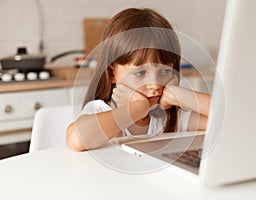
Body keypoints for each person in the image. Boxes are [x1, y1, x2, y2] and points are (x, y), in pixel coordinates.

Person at [66, 8, 211, 151]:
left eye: (165, 71)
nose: (154, 85)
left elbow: (228, 119)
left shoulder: (168, 119)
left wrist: (176, 94)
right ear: (111, 74)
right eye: (140, 73)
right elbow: (77, 140)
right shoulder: (101, 109)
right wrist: (137, 108)